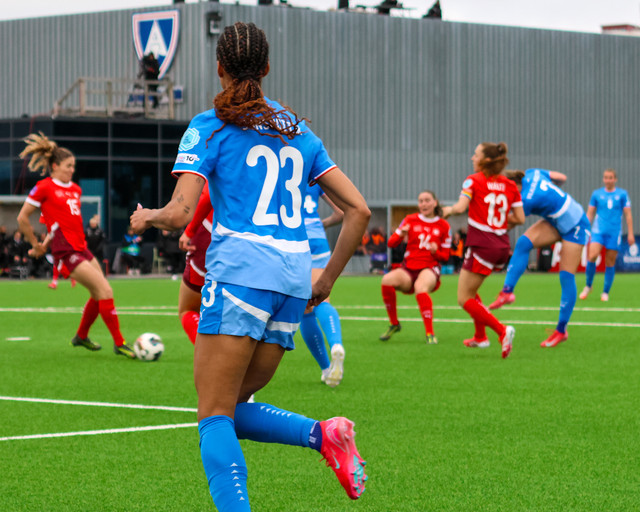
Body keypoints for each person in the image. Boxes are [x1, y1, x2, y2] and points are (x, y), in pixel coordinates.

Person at [129, 22, 370, 510]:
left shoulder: (210, 126)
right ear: (267, 68)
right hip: (292, 283)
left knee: (213, 416)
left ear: (219, 67)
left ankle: (305, 449)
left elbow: (179, 213)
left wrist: (145, 217)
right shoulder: (298, 130)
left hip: (240, 277)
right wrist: (325, 279)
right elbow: (359, 211)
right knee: (231, 407)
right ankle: (323, 434)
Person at [16, 132, 135, 358]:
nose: (72, 170)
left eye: (73, 166)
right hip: (65, 250)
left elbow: (61, 222)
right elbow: (22, 217)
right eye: (68, 166)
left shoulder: (75, 189)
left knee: (98, 292)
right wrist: (36, 244)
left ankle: (81, 336)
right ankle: (119, 343)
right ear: (54, 166)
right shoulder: (44, 187)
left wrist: (47, 241)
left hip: (81, 247)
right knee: (105, 290)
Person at [490, 169, 591, 347]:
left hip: (576, 226)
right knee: (523, 244)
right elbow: (562, 177)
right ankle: (507, 292)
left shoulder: (526, 200)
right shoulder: (532, 172)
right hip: (557, 219)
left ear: (513, 185)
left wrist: (492, 229)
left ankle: (561, 330)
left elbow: (515, 221)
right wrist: (553, 194)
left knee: (566, 276)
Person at [442, 142, 524, 358]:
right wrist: (497, 222)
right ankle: (480, 337)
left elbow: (460, 207)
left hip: (482, 245)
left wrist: (448, 210)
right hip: (502, 246)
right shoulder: (510, 185)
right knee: (471, 288)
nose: (472, 158)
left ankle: (502, 330)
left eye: (475, 154)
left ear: (486, 160)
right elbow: (520, 218)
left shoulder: (473, 180)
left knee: (464, 298)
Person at [379, 190, 451, 345]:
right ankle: (394, 324)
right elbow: (391, 243)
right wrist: (401, 235)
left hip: (430, 267)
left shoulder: (444, 225)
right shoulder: (410, 219)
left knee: (420, 287)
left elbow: (445, 257)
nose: (424, 204)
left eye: (427, 200)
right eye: (421, 201)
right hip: (409, 268)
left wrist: (435, 252)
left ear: (435, 203)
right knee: (387, 280)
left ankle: (430, 333)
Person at [299, 181, 346, 387]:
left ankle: (326, 368)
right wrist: (321, 224)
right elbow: (341, 213)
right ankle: (336, 344)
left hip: (293, 238)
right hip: (317, 239)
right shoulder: (314, 178)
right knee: (322, 299)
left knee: (305, 309)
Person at [580, 168, 635, 302]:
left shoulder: (622, 194)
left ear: (615, 179)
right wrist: (584, 229)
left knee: (610, 262)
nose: (608, 180)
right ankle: (588, 285)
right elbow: (590, 213)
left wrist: (630, 233)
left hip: (614, 233)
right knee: (592, 256)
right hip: (598, 231)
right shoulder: (597, 194)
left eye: (610, 177)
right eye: (606, 177)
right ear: (603, 179)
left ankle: (605, 292)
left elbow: (628, 214)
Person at [177, 185, 214, 345]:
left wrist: (189, 231)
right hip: (266, 240)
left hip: (212, 232)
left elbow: (207, 196)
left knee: (188, 309)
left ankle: (210, 357)